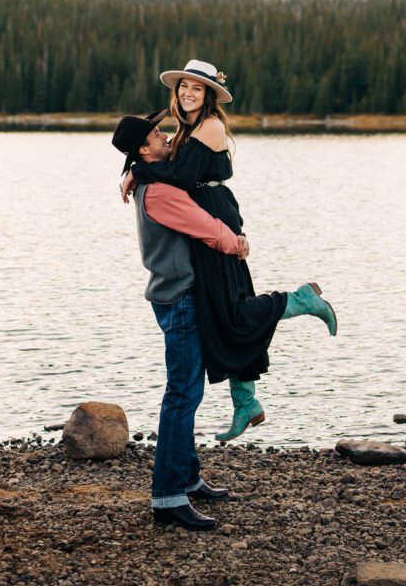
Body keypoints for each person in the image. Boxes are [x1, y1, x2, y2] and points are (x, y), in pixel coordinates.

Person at [122, 60, 338, 442]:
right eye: (184, 86)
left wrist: (137, 171)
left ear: (208, 95)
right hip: (206, 212)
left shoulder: (209, 125)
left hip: (212, 212)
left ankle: (301, 300)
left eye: (197, 88)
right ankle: (245, 402)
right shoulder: (187, 128)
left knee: (232, 310)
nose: (188, 93)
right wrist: (134, 168)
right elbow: (170, 169)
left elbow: (180, 178)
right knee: (223, 312)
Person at [111, 108, 251, 532]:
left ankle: (187, 478)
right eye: (157, 134)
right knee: (182, 396)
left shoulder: (152, 178)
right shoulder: (159, 192)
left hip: (174, 296)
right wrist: (237, 244)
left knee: (186, 392)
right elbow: (204, 225)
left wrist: (133, 171)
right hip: (180, 300)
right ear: (142, 148)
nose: (166, 135)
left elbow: (185, 171)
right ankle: (168, 498)